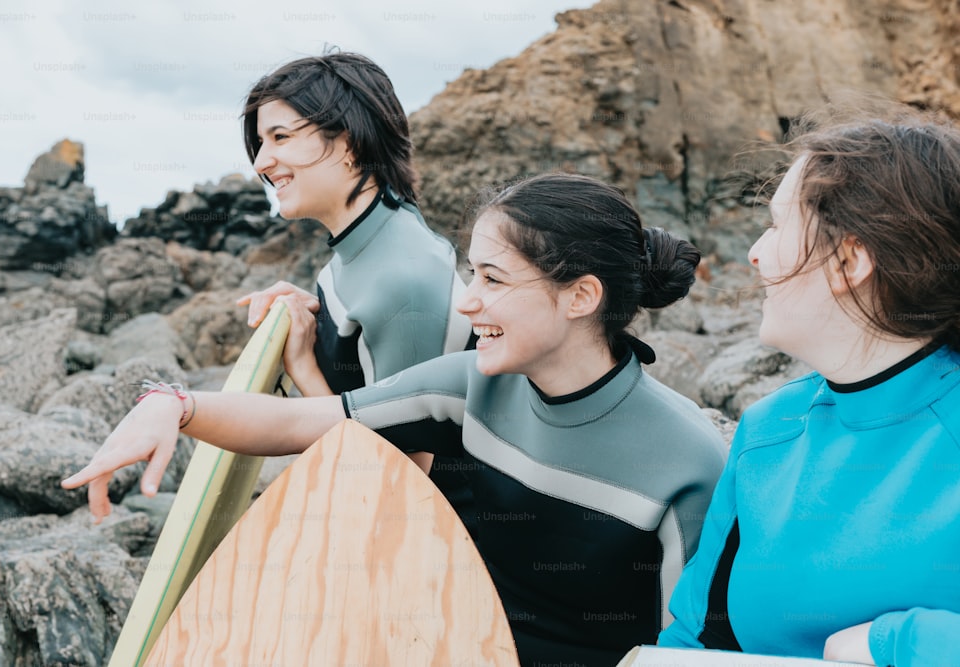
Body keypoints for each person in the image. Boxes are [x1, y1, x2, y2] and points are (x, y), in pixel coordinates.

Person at [63, 172, 726, 666]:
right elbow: (300, 425)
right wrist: (174, 405)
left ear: (581, 295)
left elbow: (686, 652)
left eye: (494, 279)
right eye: (472, 275)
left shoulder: (686, 458)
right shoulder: (470, 388)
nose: (467, 303)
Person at [658, 111, 960, 667]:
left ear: (850, 259)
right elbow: (697, 640)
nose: (755, 252)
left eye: (776, 225)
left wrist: (900, 643)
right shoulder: (768, 427)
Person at [231, 52, 477, 531]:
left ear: (348, 141)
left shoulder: (404, 275)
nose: (262, 162)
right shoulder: (366, 243)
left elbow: (399, 487)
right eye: (261, 143)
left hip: (441, 564)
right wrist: (314, 314)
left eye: (280, 137)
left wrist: (303, 366)